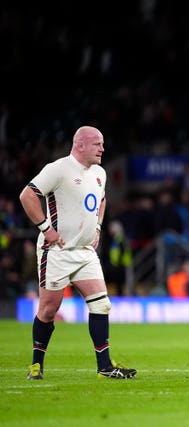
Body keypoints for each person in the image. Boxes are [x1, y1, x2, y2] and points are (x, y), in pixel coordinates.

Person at [18, 125, 136, 380]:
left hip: (84, 252)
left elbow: (101, 200)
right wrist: (46, 229)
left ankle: (104, 367)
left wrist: (97, 227)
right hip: (57, 251)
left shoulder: (100, 173)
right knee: (49, 310)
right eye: (97, 144)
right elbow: (27, 195)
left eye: (103, 144)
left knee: (101, 304)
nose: (103, 148)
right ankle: (36, 365)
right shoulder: (58, 169)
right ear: (80, 145)